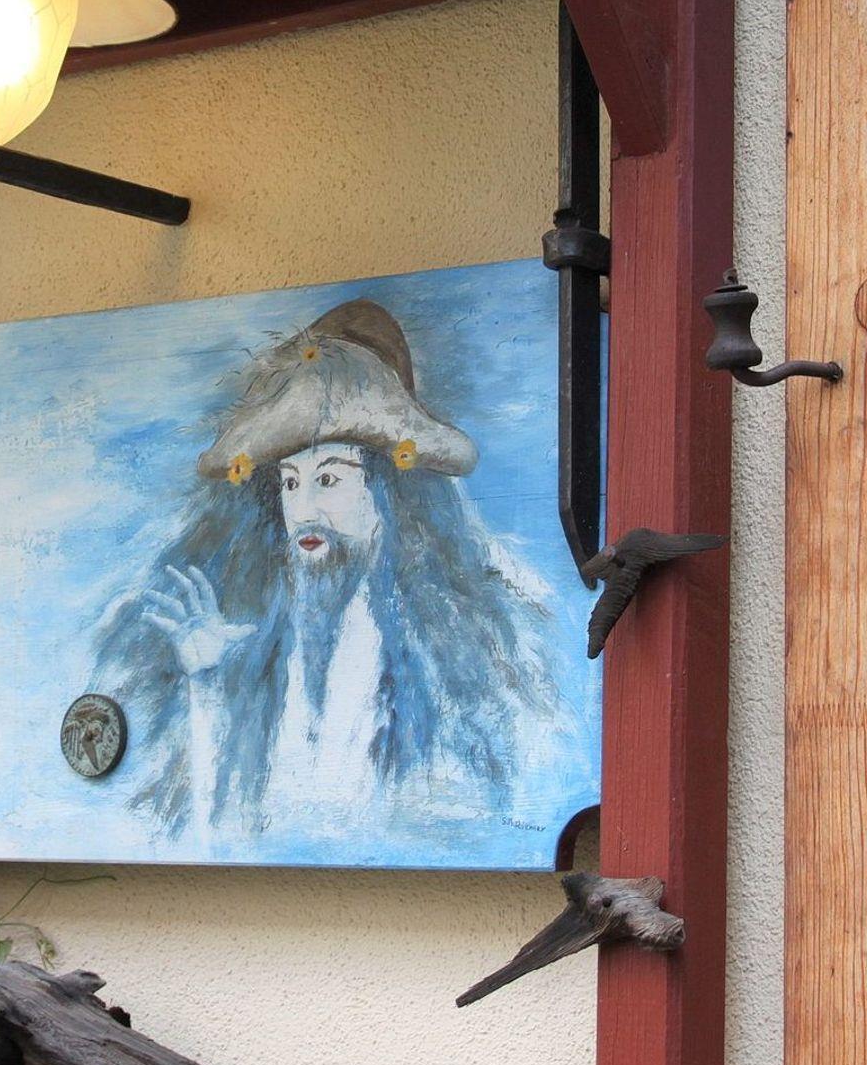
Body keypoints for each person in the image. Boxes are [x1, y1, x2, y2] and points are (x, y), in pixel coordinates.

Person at [87, 298, 552, 840]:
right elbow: (227, 833)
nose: (303, 510)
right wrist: (209, 683)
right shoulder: (266, 629)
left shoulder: (455, 638)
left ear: (387, 493)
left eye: (328, 479)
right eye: (290, 483)